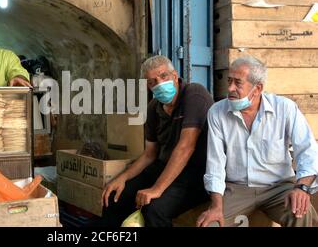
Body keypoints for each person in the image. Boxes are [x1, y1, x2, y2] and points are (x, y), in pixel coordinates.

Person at [197, 56, 318, 227]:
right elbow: (215, 164)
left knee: (301, 214)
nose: (230, 88)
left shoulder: (285, 108)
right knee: (210, 224)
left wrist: (301, 188)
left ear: (257, 88)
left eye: (238, 83)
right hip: (237, 188)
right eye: (229, 81)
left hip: (279, 187)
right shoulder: (217, 112)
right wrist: (216, 206)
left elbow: (308, 150)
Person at [93, 55, 214, 227]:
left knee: (155, 209)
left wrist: (156, 189)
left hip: (194, 173)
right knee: (115, 196)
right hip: (163, 167)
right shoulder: (153, 107)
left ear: (174, 75)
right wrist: (122, 177)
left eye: (163, 76)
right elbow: (149, 154)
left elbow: (186, 147)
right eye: (152, 81)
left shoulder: (194, 93)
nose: (158, 84)